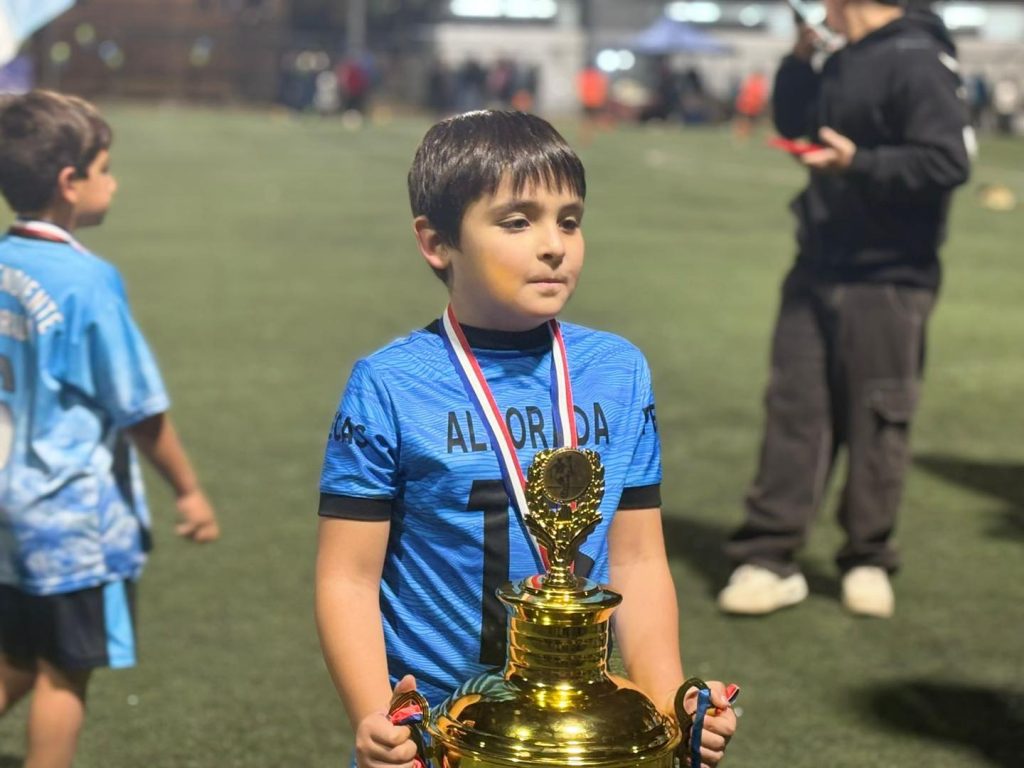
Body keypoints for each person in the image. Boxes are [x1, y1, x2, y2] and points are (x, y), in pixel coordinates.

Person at [316, 110, 738, 767]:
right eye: (517, 221)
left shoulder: (618, 372)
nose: (554, 245)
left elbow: (636, 560)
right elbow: (348, 577)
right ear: (437, 242)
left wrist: (670, 706)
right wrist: (377, 718)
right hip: (439, 739)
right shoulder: (390, 384)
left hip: (581, 738)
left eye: (569, 220)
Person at [718, 0, 971, 618]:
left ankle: (867, 557)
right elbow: (798, 122)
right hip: (819, 263)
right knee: (794, 409)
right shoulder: (842, 57)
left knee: (878, 417)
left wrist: (858, 162)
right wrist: (799, 61)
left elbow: (948, 161)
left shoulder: (916, 57)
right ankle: (770, 556)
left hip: (890, 275)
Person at [0, 91, 220, 768]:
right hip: (70, 519)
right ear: (69, 182)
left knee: (14, 654)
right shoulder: (88, 282)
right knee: (64, 673)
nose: (114, 182)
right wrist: (188, 490)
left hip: (7, 508)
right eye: (105, 168)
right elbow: (139, 408)